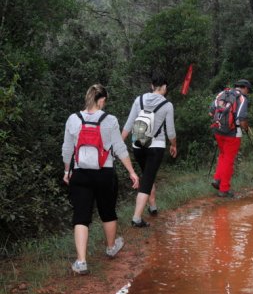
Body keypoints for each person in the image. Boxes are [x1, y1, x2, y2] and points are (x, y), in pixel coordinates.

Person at [62, 84, 139, 275]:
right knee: (107, 211)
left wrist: (67, 171)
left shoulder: (73, 119)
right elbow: (120, 148)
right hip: (104, 173)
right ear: (102, 100)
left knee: (81, 216)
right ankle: (111, 248)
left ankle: (81, 262)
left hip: (80, 173)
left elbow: (67, 149)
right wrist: (132, 172)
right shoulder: (109, 120)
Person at [122, 73, 177, 227]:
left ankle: (152, 207)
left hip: (138, 145)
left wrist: (119, 143)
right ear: (164, 88)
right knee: (146, 180)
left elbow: (128, 124)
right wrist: (173, 145)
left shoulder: (138, 100)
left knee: (148, 174)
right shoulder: (167, 105)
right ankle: (136, 218)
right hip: (155, 147)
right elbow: (171, 132)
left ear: (152, 86)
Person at [209, 79, 251, 197]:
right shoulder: (242, 98)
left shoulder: (222, 94)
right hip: (233, 133)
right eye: (248, 91)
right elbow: (242, 119)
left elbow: (211, 112)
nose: (248, 93)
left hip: (218, 131)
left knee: (222, 155)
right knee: (229, 160)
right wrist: (246, 129)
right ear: (245, 88)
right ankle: (224, 189)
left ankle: (217, 179)